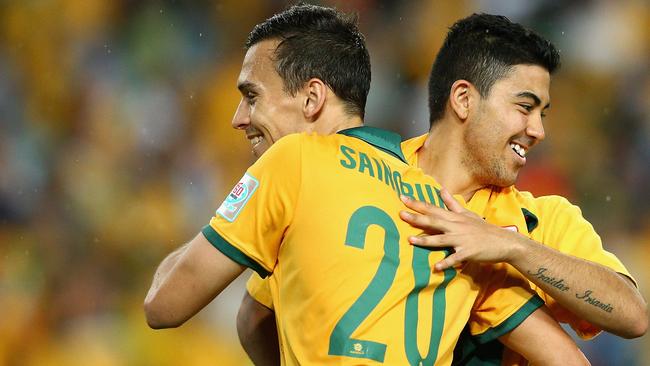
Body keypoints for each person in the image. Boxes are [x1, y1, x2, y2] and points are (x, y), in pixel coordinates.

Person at [144, 5, 588, 365]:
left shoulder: (294, 162)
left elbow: (164, 307)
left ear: (314, 98)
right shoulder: (447, 211)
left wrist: (236, 214)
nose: (238, 117)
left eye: (252, 95)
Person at [236, 11, 647, 366]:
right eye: (524, 107)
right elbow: (256, 317)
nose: (538, 130)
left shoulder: (542, 220)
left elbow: (632, 316)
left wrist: (514, 249)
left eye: (542, 112)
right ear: (464, 100)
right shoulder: (353, 174)